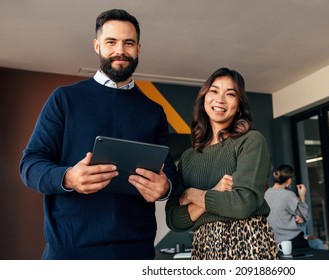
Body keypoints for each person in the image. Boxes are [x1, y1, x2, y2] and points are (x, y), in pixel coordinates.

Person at [19, 9, 176, 260]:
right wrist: (68, 177)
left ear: (138, 48)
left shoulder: (153, 111)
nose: (120, 50)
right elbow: (30, 165)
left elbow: (168, 171)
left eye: (128, 43)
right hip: (70, 253)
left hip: (135, 253)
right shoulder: (64, 99)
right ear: (96, 45)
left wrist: (165, 187)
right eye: (111, 42)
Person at [165, 67, 278, 260]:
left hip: (249, 244)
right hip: (203, 249)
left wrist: (191, 194)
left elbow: (241, 205)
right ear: (204, 98)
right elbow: (175, 219)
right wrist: (216, 191)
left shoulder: (251, 141)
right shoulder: (188, 157)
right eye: (214, 91)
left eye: (230, 94)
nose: (220, 99)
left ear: (239, 105)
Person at [264, 164, 311, 249]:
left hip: (275, 242)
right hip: (292, 240)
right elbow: (305, 216)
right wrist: (302, 196)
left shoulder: (266, 194)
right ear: (289, 180)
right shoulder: (288, 195)